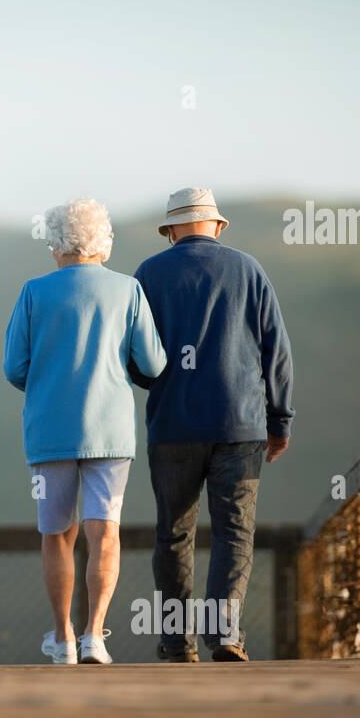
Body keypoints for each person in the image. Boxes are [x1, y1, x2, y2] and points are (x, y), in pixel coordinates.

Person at [131, 187, 295, 662]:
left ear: (171, 231)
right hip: (240, 425)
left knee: (174, 533)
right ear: (218, 227)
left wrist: (155, 383)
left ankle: (178, 642)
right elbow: (276, 351)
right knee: (234, 531)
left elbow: (137, 356)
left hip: (172, 427)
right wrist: (279, 419)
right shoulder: (249, 270)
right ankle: (224, 635)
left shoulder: (149, 274)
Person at [4, 198, 167, 664]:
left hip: (49, 431)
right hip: (111, 432)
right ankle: (96, 634)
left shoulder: (34, 292)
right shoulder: (128, 290)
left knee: (57, 534)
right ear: (103, 242)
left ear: (57, 243)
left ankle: (63, 638)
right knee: (105, 532)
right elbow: (154, 363)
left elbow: (14, 367)